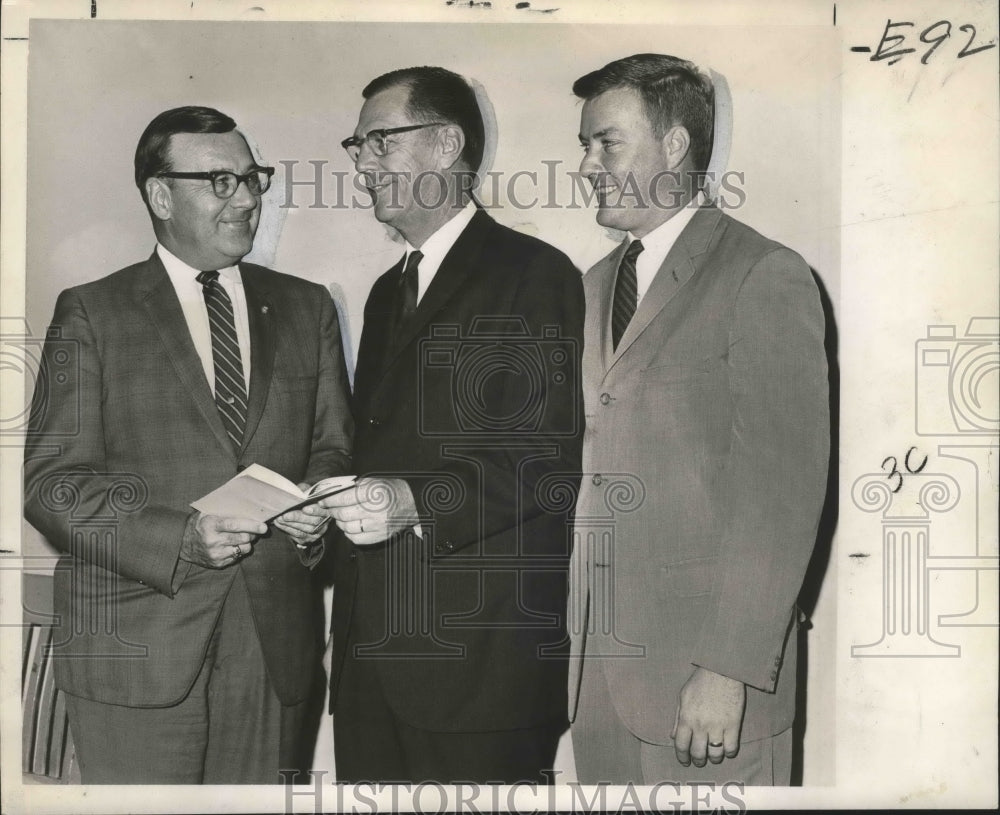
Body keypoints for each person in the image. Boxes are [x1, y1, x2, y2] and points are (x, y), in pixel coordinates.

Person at [23, 106, 353, 784]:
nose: (247, 198)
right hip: (135, 649)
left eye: (252, 178)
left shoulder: (308, 306)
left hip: (271, 650)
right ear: (160, 195)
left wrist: (311, 513)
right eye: (220, 181)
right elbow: (53, 484)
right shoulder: (92, 311)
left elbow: (332, 450)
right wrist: (182, 537)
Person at [568, 53, 830, 785]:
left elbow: (781, 494)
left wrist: (727, 667)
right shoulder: (590, 286)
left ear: (675, 145)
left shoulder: (762, 274)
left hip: (709, 690)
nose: (586, 163)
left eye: (605, 142)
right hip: (599, 690)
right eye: (584, 144)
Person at [318, 66, 584, 783]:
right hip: (373, 667)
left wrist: (407, 500)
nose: (362, 164)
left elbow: (543, 461)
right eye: (358, 146)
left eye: (379, 142)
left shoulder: (533, 273)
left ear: (444, 145)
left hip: (480, 676)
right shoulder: (385, 293)